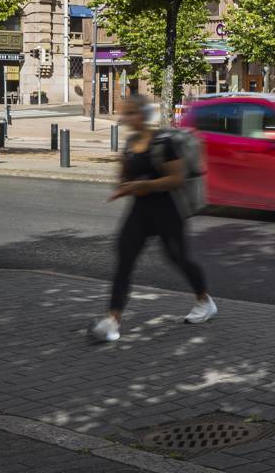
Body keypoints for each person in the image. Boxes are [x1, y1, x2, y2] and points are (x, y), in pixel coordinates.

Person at [90, 93, 215, 343]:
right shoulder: (129, 145)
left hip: (168, 210)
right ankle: (113, 319)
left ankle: (204, 300)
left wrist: (143, 185)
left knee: (178, 257)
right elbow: (123, 180)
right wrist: (124, 184)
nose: (126, 118)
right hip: (140, 211)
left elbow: (175, 179)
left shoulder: (163, 143)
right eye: (125, 113)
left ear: (143, 114)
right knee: (124, 259)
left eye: (131, 113)